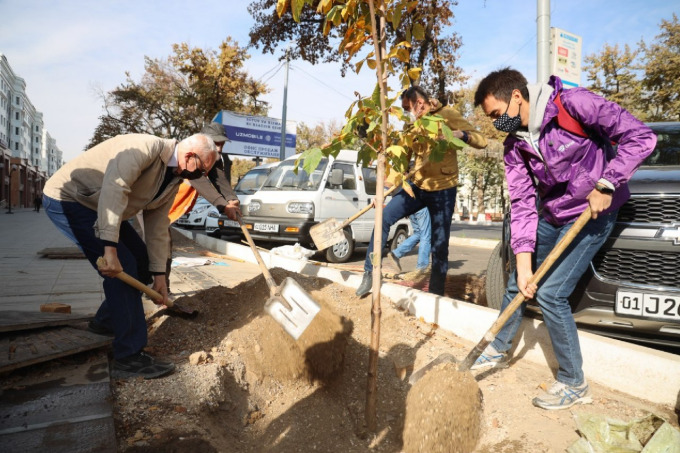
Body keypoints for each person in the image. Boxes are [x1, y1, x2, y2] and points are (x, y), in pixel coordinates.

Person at [472, 68, 656, 410]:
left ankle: (574, 383)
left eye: (497, 115)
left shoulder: (573, 104)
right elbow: (524, 203)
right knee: (518, 281)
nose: (497, 124)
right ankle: (498, 349)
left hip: (592, 214)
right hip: (553, 215)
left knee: (553, 294)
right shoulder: (514, 147)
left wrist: (608, 182)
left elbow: (641, 136)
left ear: (516, 96)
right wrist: (524, 264)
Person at [43, 133, 219, 379]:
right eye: (201, 170)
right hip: (70, 197)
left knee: (142, 264)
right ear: (189, 156)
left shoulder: (174, 178)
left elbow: (157, 226)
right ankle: (129, 355)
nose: (201, 176)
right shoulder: (142, 148)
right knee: (122, 268)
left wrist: (159, 275)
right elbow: (114, 190)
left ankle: (104, 323)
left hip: (100, 204)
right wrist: (110, 249)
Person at [356, 86, 487, 297]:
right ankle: (369, 273)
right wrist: (385, 191)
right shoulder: (413, 126)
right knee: (383, 217)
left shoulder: (447, 115)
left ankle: (435, 293)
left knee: (440, 244)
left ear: (419, 103)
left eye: (408, 108)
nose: (408, 113)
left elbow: (482, 139)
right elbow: (399, 161)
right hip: (417, 186)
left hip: (443, 189)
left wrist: (459, 134)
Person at [163, 122, 240, 290]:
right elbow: (199, 180)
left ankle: (161, 289)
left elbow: (219, 179)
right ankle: (151, 288)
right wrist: (222, 205)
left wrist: (232, 199)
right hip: (156, 205)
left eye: (222, 144)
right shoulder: (191, 156)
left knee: (164, 247)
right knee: (153, 247)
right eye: (216, 143)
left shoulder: (215, 158)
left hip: (169, 211)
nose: (219, 148)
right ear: (204, 141)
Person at [387, 206, 431, 275]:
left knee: (418, 233)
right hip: (422, 206)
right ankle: (422, 268)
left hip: (411, 207)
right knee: (425, 235)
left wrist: (406, 210)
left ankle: (396, 254)